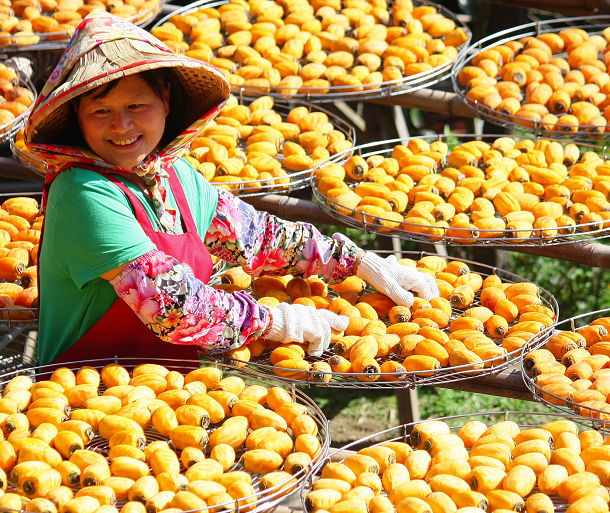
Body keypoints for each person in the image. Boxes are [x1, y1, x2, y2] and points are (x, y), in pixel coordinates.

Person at [25, 11, 438, 368]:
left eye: (136, 105)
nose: (122, 126)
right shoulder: (82, 192)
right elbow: (171, 306)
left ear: (166, 100)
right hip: (81, 402)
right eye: (101, 111)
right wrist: (272, 321)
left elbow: (259, 237)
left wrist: (357, 261)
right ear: (77, 118)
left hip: (165, 397)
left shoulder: (175, 177)